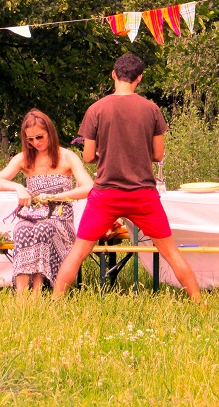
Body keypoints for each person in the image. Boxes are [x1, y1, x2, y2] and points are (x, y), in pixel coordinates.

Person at [52, 54, 202, 302]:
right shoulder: (151, 109)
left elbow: (88, 156)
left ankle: (55, 303)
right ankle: (198, 301)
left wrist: (104, 152)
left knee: (78, 252)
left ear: (113, 74)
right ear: (139, 78)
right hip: (143, 195)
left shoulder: (96, 109)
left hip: (106, 195)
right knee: (170, 252)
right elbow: (158, 154)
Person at [0, 109, 93, 296]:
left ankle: (37, 293)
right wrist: (19, 188)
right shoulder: (24, 158)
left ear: (50, 133)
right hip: (33, 215)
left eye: (39, 137)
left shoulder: (67, 157)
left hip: (60, 217)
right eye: (30, 139)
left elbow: (89, 187)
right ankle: (21, 295)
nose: (36, 143)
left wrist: (56, 197)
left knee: (45, 229)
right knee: (22, 229)